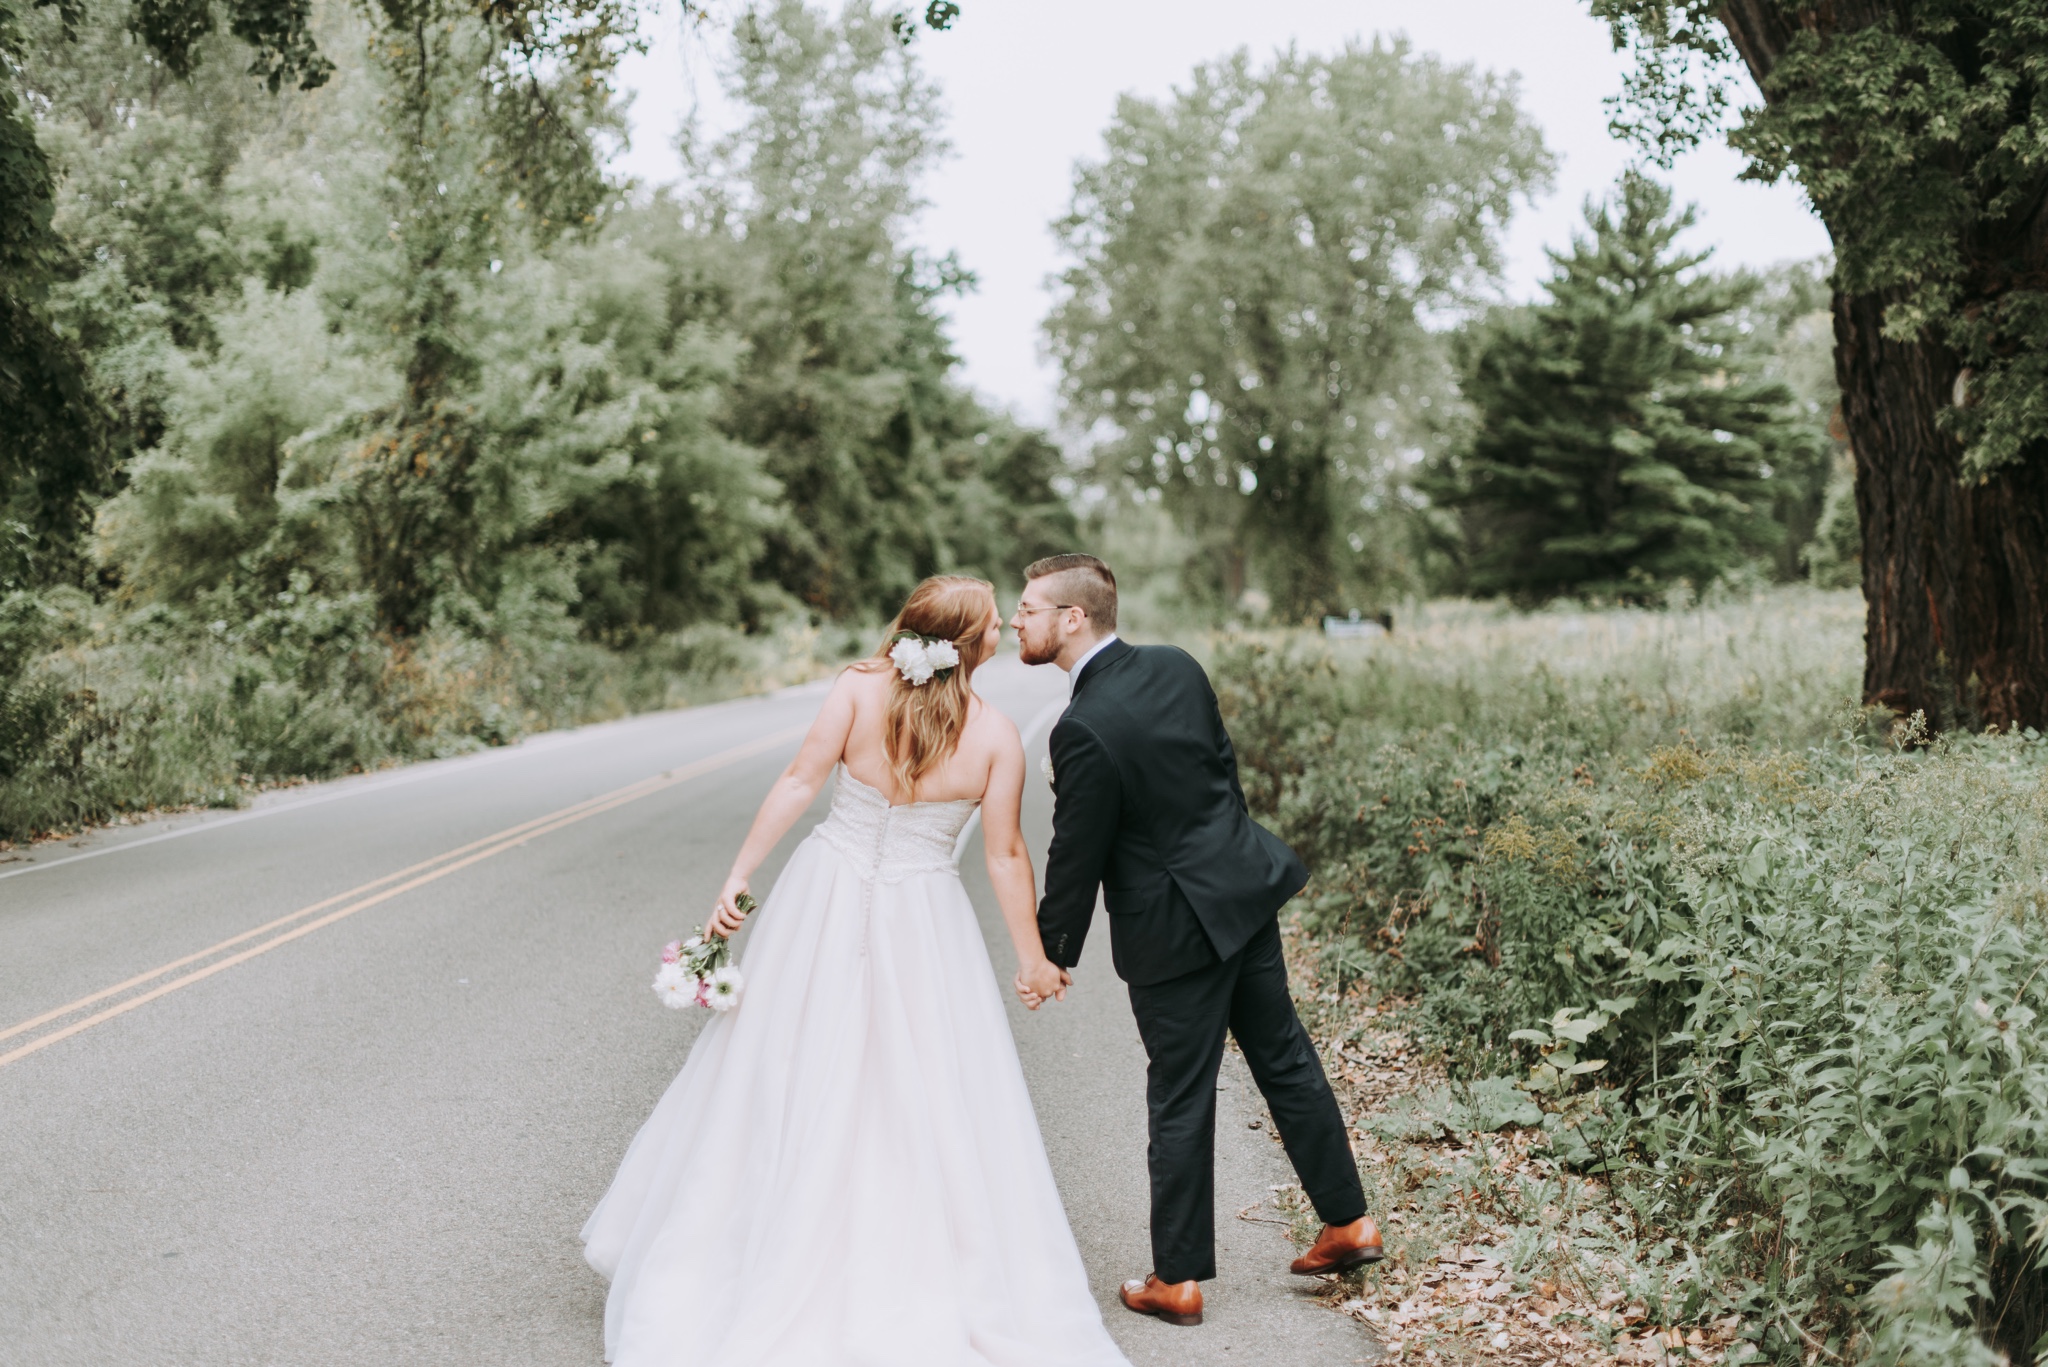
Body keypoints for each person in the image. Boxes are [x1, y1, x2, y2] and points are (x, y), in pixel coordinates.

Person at [581, 575, 1128, 1367]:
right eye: (992, 625)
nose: (1004, 629)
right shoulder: (997, 736)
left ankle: (749, 1242)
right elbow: (1007, 855)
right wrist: (1034, 959)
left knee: (782, 1062)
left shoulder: (857, 689)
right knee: (921, 1081)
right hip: (923, 916)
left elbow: (800, 781)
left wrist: (738, 877)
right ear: (967, 646)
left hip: (824, 894)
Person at [1011, 553, 1379, 1329]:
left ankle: (1176, 1279)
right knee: (1285, 1058)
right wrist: (1229, 858)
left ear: (1073, 618)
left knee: (1180, 1093)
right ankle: (1349, 1223)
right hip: (1242, 892)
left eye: (1028, 607)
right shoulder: (1177, 666)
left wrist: (1051, 953)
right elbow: (1222, 775)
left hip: (1171, 929)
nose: (1016, 619)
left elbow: (1075, 855)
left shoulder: (1082, 727)